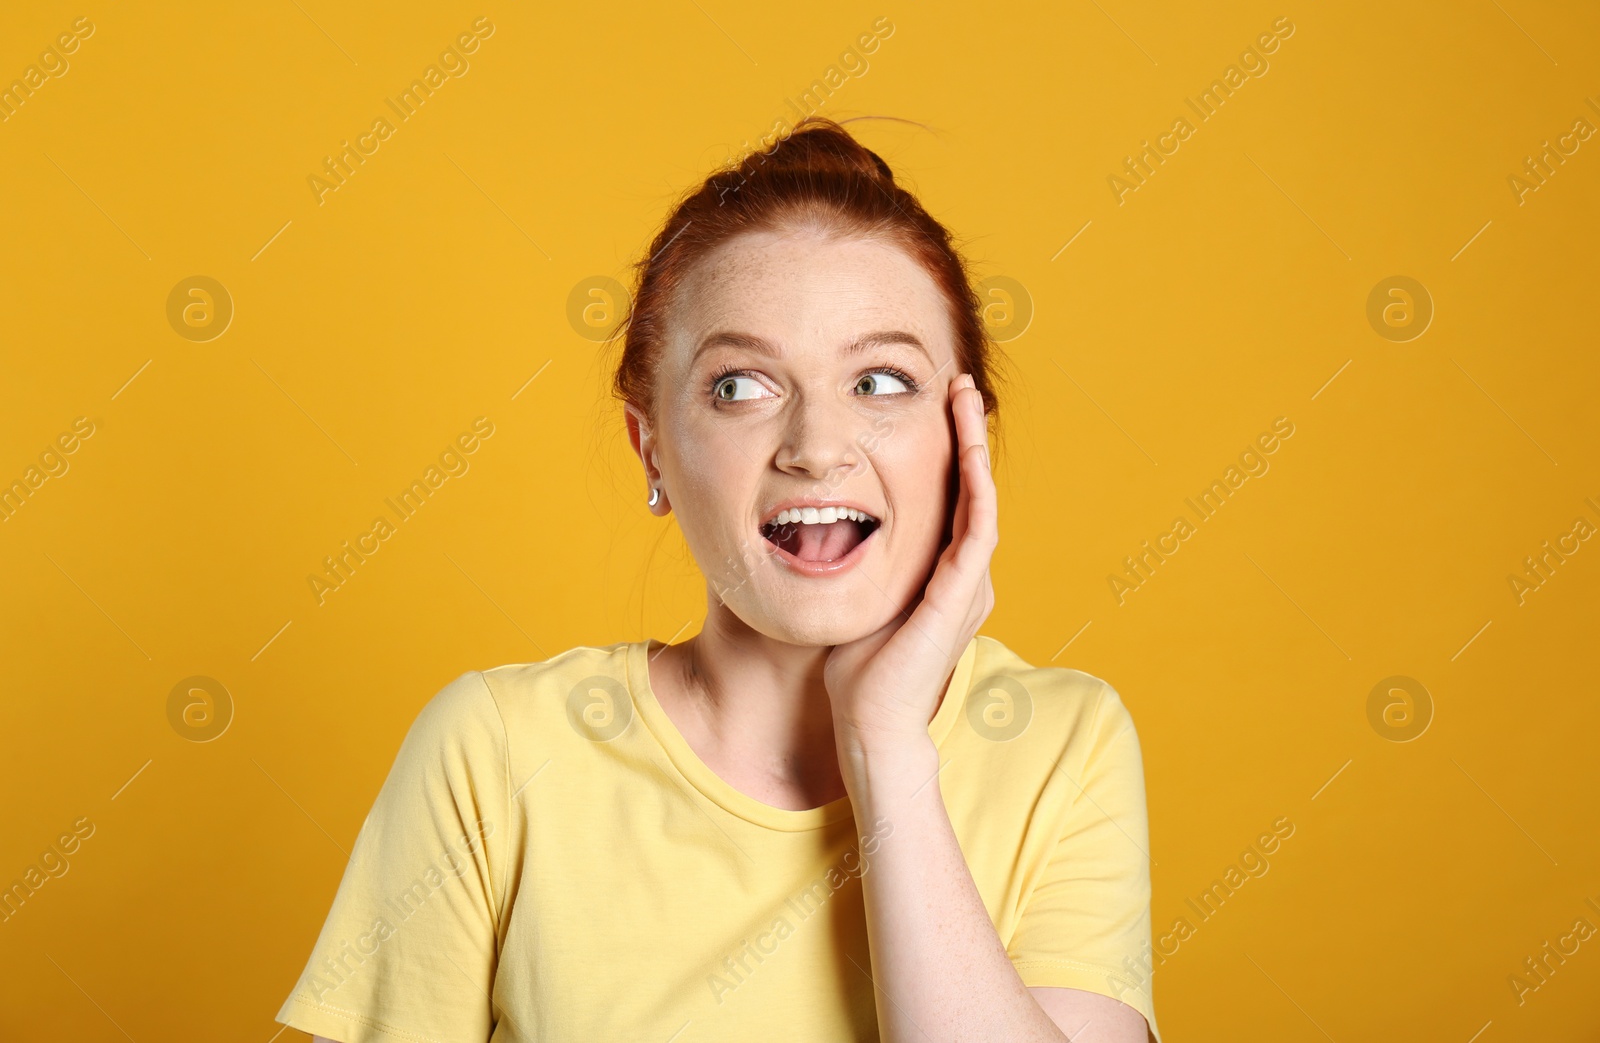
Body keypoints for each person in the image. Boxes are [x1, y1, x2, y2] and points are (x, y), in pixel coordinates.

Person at [275, 116, 1160, 1043]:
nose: (817, 449)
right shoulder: (496, 753)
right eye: (741, 386)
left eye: (882, 381)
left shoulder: (1065, 743)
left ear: (963, 434)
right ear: (650, 443)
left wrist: (887, 745)